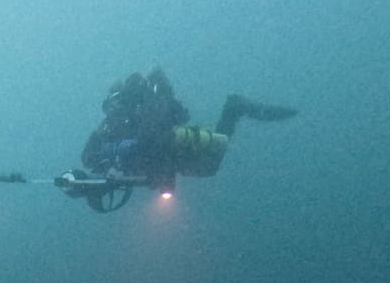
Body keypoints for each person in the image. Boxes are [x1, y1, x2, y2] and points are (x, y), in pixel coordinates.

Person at [80, 67, 297, 194]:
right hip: (172, 164)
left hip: (179, 154)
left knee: (213, 159)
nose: (114, 111)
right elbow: (88, 157)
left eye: (118, 104)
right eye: (110, 106)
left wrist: (133, 149)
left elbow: (157, 136)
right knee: (210, 166)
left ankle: (234, 107)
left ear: (125, 100)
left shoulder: (146, 111)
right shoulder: (108, 128)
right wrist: (110, 164)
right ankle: (233, 109)